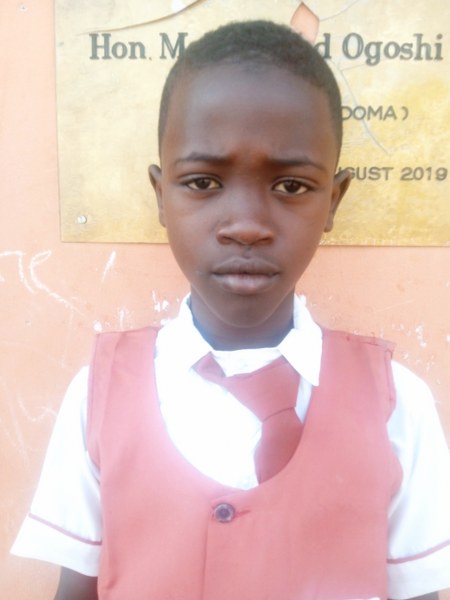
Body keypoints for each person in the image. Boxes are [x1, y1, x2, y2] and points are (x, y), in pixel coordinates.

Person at [12, 20, 450, 600]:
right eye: (203, 182)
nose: (246, 225)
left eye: (291, 186)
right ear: (160, 196)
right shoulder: (97, 397)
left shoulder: (398, 406)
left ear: (334, 200)